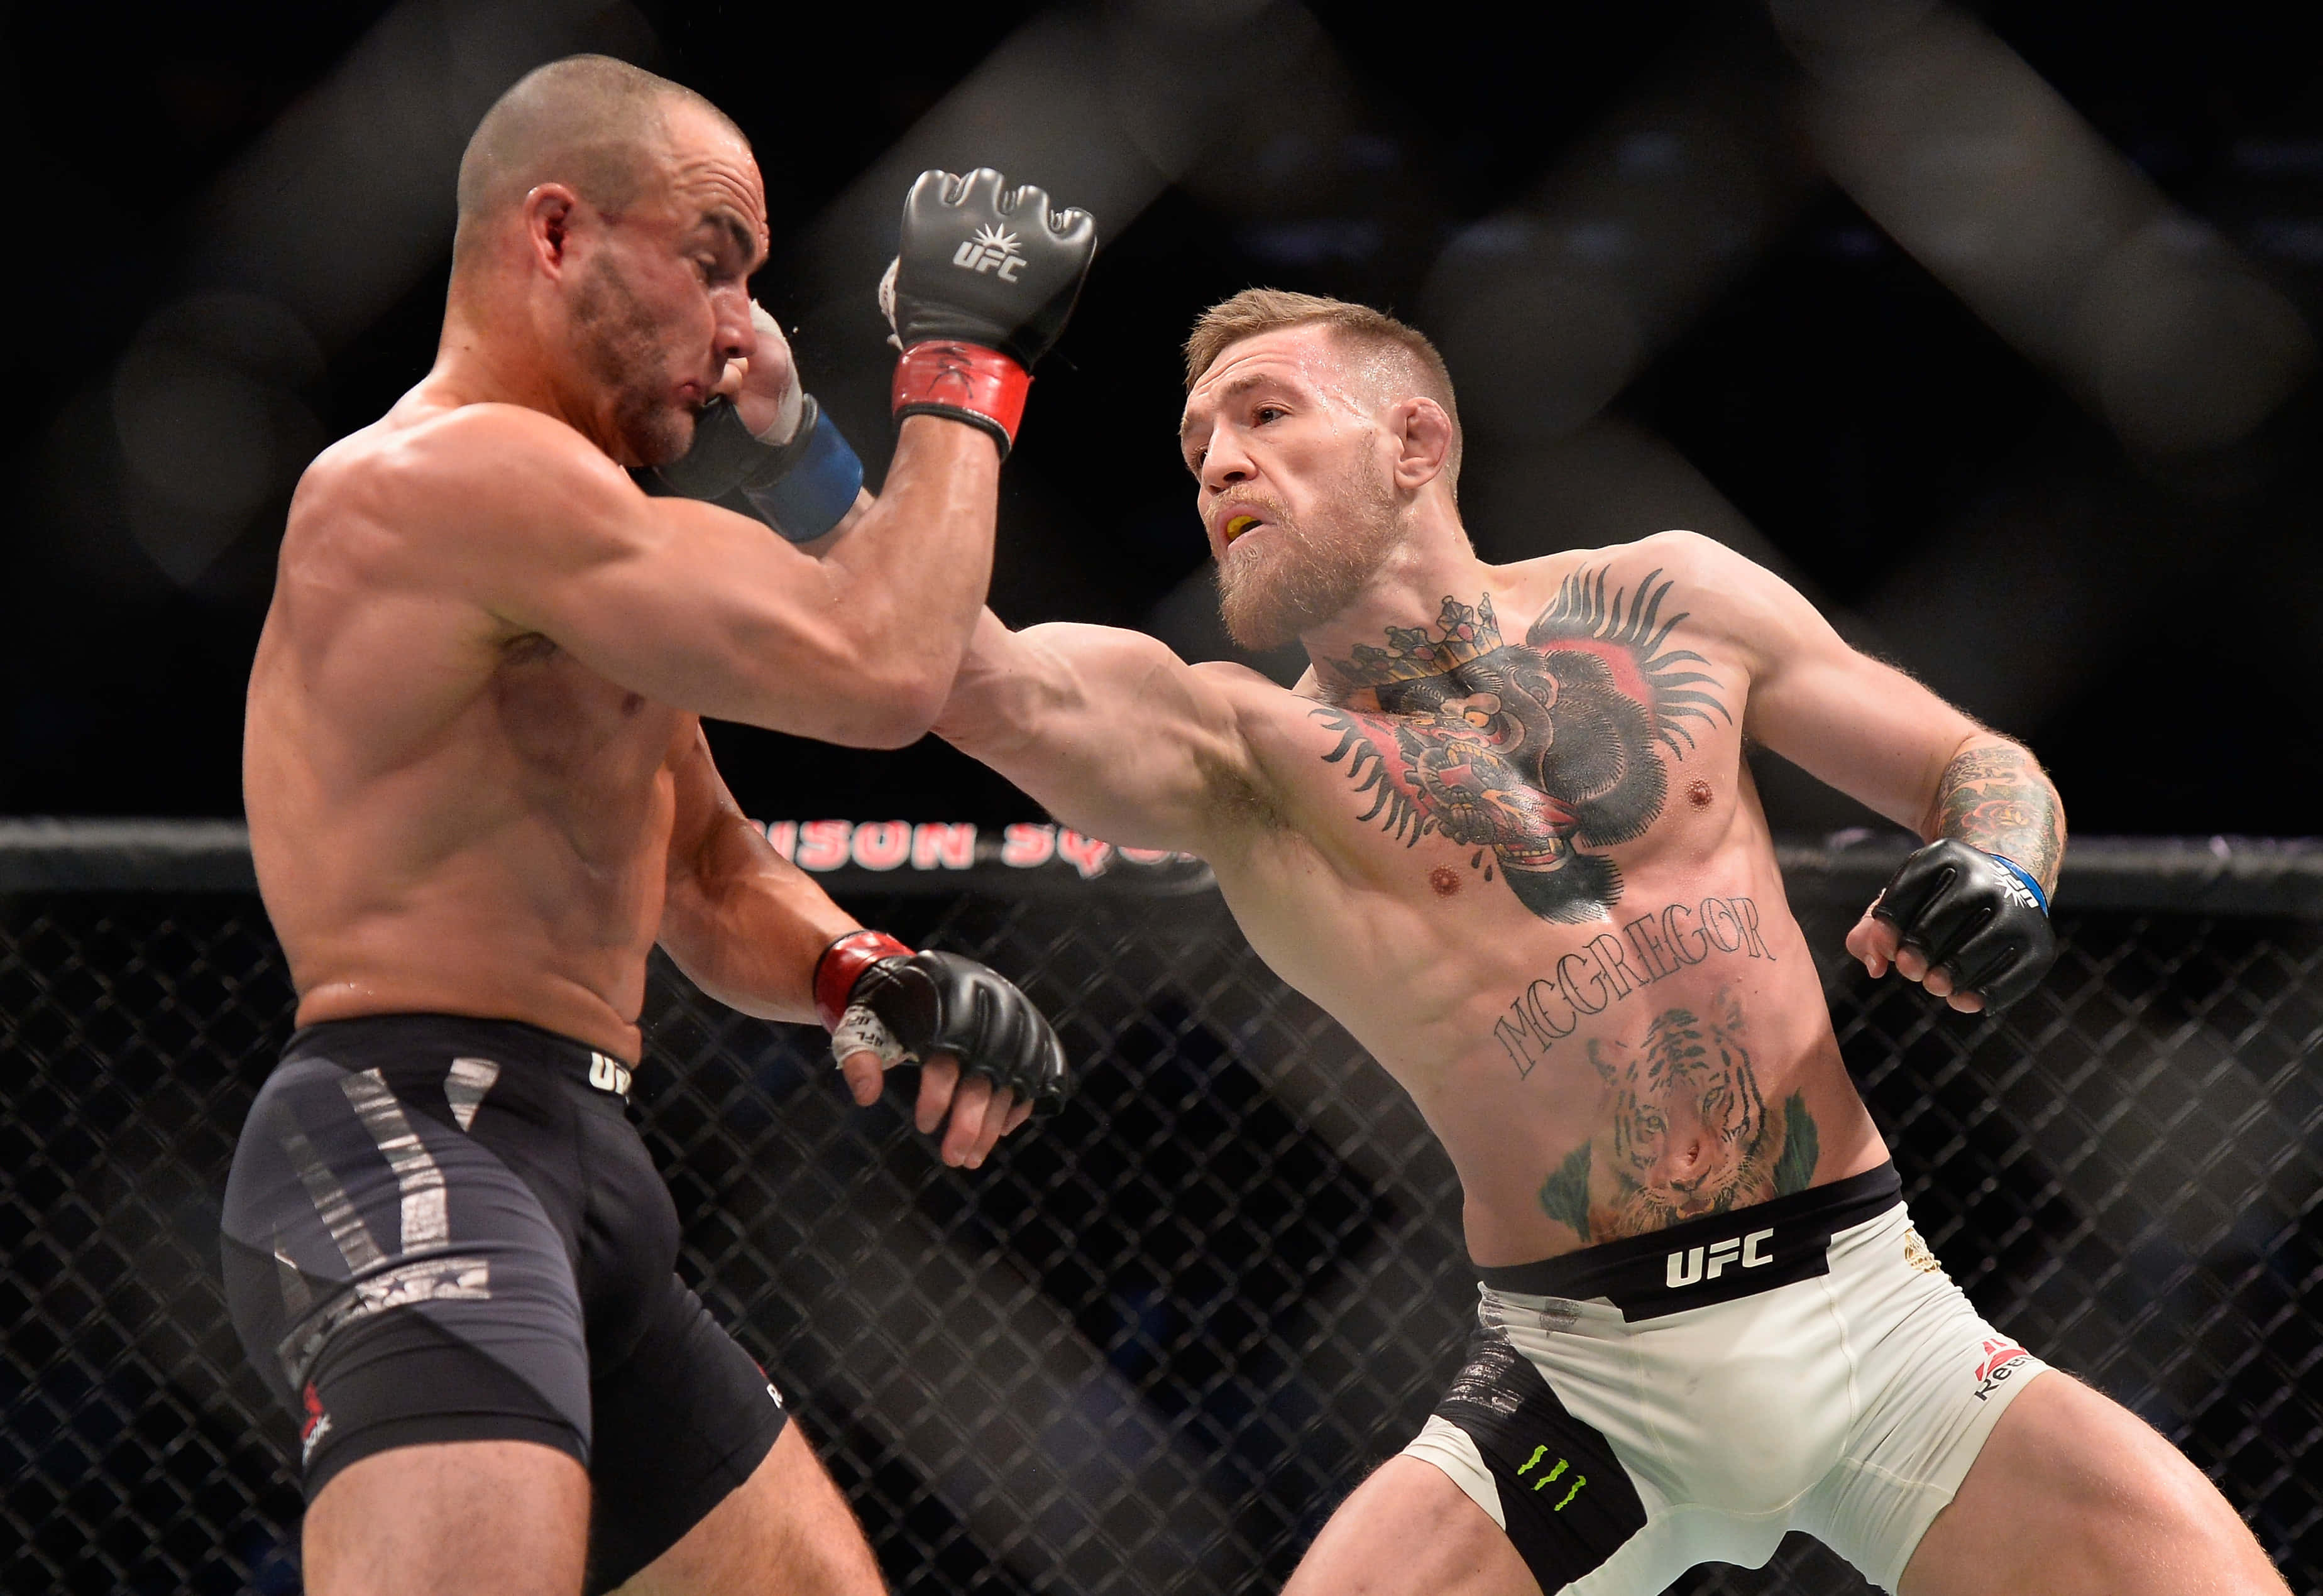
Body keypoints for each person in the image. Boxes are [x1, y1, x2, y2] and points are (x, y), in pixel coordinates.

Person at [930, 288, 2292, 1596]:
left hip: (1881, 1326)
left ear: (1415, 440)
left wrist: (2001, 867)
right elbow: (955, 672)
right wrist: (943, 376)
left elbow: (1975, 766)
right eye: (1197, 449)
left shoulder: (1672, 597)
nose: (1220, 464)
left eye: (1266, 414)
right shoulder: (1246, 749)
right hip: (1579, 1392)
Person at [221, 55, 1094, 1596]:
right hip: (414, 1135)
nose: (741, 329)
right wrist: (963, 368)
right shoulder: (451, 477)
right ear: (555, 234)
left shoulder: (584, 544)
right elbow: (881, 667)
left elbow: (704, 865)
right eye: (711, 261)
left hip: (582, 1161)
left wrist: (859, 971)